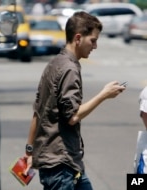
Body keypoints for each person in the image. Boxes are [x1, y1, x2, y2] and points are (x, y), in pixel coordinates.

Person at [23, 11, 126, 190]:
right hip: (61, 165)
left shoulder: (55, 63)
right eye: (92, 41)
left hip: (64, 163)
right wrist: (104, 94)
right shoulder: (69, 69)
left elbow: (37, 112)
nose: (95, 46)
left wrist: (29, 150)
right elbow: (73, 116)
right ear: (78, 38)